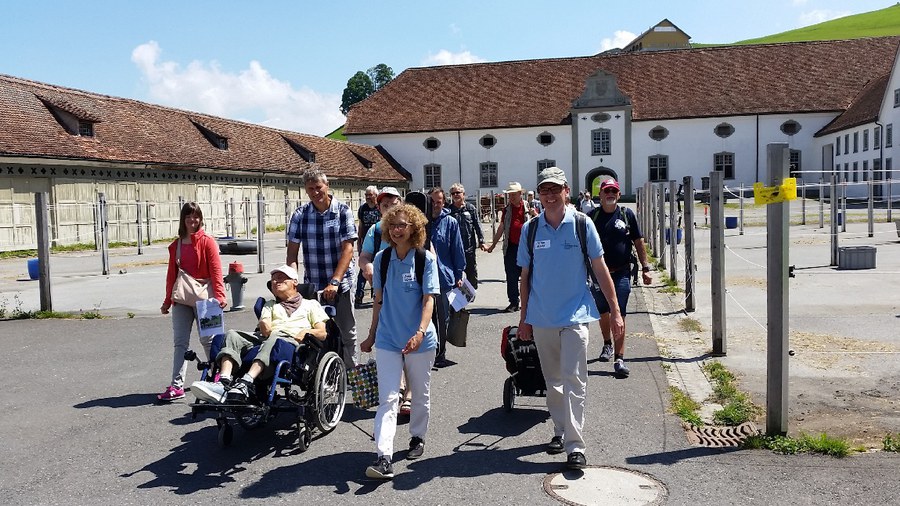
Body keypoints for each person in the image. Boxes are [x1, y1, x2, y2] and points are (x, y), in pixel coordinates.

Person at [516, 166, 624, 470]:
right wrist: (524, 318)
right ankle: (561, 430)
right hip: (542, 317)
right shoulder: (531, 229)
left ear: (566, 191)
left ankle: (575, 446)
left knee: (575, 379)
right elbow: (524, 276)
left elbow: (600, 269)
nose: (550, 196)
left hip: (576, 315)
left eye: (555, 190)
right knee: (553, 382)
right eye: (544, 190)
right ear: (539, 195)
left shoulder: (582, 224)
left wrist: (615, 311)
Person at [360, 203, 440, 480]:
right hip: (388, 339)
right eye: (392, 225)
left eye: (402, 225)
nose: (396, 230)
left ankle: (417, 436)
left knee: (419, 393)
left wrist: (419, 332)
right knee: (388, 399)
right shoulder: (382, 259)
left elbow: (429, 299)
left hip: (420, 339)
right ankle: (384, 456)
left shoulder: (425, 260)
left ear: (414, 228)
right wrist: (371, 335)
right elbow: (378, 300)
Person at [192, 265, 328, 403]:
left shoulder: (310, 304)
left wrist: (306, 331)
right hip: (267, 336)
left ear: (294, 282)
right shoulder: (270, 304)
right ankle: (223, 382)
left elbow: (322, 333)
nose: (276, 281)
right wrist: (264, 323)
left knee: (275, 337)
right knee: (232, 334)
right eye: (273, 280)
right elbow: (266, 330)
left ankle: (246, 382)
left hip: (293, 341)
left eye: (281, 278)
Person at [287, 168, 358, 368]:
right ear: (306, 190)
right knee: (317, 332)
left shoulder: (343, 211)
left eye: (319, 187)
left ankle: (351, 374)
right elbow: (292, 253)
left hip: (340, 283)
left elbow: (348, 250)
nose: (316, 193)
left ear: (327, 186)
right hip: (314, 284)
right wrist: (292, 280)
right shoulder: (300, 215)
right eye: (311, 189)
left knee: (346, 332)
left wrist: (335, 281)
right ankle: (321, 377)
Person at [158, 202, 227, 402]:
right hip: (182, 299)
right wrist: (167, 301)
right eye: (188, 217)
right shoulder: (176, 245)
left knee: (210, 341)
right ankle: (176, 386)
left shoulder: (208, 242)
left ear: (200, 218)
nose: (192, 220)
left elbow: (216, 271)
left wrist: (221, 297)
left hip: (207, 298)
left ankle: (217, 378)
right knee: (180, 343)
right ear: (183, 219)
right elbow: (172, 275)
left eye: (195, 216)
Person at [588, 178, 652, 378]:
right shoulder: (592, 217)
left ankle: (619, 358)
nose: (610, 194)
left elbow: (638, 242)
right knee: (604, 312)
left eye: (613, 191)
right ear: (600, 195)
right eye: (606, 190)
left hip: (622, 272)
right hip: (598, 274)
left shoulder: (627, 214)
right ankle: (607, 343)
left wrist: (646, 267)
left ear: (619, 194)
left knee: (620, 313)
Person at [427, 187, 466, 368]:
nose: (435, 205)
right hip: (423, 279)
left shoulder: (450, 222)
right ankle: (427, 351)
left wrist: (459, 274)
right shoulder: (421, 222)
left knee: (443, 318)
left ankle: (440, 353)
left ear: (444, 202)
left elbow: (457, 250)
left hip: (444, 278)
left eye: (439, 202)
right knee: (426, 317)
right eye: (432, 202)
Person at [486, 181, 530, 312]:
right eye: (509, 195)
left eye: (513, 195)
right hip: (510, 247)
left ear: (520, 194)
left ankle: (530, 302)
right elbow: (501, 228)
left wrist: (534, 214)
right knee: (511, 276)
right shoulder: (507, 210)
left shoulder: (527, 208)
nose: (511, 197)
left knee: (528, 276)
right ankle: (513, 302)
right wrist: (493, 245)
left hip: (526, 247)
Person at [358, 186, 402, 286]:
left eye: (394, 205)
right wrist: (367, 266)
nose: (391, 210)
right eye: (385, 206)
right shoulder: (375, 230)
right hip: (383, 288)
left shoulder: (412, 228)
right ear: (379, 208)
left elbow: (429, 255)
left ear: (401, 205)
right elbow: (363, 257)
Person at [447, 182, 485, 289]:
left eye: (458, 192)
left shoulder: (470, 208)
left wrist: (481, 241)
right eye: (453, 193)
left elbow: (478, 225)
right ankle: (458, 302)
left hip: (469, 248)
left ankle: (468, 295)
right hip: (454, 249)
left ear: (464, 194)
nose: (455, 195)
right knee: (456, 276)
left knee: (471, 275)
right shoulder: (448, 210)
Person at [355, 185, 381, 308]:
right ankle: (359, 295)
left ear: (376, 196)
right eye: (366, 195)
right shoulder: (362, 209)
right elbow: (360, 226)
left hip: (378, 242)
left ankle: (377, 294)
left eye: (370, 195)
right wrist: (359, 241)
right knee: (364, 270)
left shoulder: (379, 208)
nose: (368, 197)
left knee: (377, 269)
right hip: (366, 242)